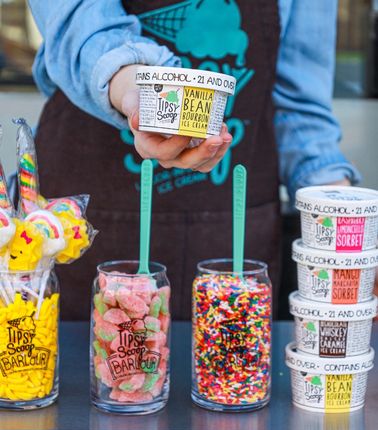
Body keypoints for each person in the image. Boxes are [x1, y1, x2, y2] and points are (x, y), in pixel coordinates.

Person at [28, 0, 360, 320]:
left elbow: (300, 111)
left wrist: (350, 236)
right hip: (91, 227)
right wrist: (141, 94)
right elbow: (81, 26)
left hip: (237, 227)